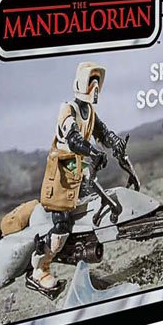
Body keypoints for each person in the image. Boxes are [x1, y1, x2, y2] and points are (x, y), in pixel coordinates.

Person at [29, 61, 128, 298]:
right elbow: (73, 139)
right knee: (61, 227)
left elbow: (103, 132)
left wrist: (115, 143)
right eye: (91, 82)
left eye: (97, 82)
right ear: (80, 83)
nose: (95, 88)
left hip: (80, 174)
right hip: (61, 177)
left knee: (88, 218)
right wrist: (93, 152)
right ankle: (38, 269)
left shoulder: (90, 112)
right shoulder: (68, 110)